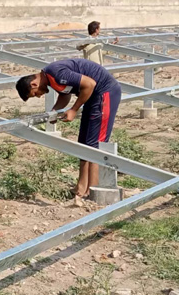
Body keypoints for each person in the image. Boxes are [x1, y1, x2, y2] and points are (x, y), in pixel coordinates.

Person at [16, 58, 122, 200]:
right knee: (84, 142)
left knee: (96, 144)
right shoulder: (52, 78)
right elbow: (65, 95)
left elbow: (90, 84)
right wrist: (54, 111)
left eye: (35, 93)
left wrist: (74, 109)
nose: (40, 95)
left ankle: (93, 190)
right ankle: (81, 187)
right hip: (93, 97)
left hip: (105, 93)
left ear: (33, 84)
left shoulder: (56, 73)